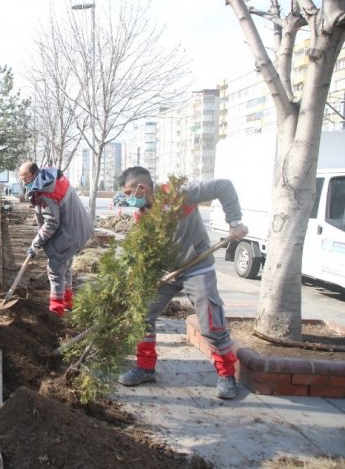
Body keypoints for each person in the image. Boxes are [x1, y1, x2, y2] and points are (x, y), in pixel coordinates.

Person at [116, 166, 249, 400]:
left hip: (197, 266)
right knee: (142, 313)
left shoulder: (178, 194)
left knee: (210, 323)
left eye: (128, 193)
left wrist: (235, 221)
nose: (127, 199)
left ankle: (227, 375)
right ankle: (145, 368)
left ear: (141, 188)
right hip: (168, 272)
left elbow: (223, 186)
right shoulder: (142, 213)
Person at [19, 161, 93, 316]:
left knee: (55, 270)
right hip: (79, 227)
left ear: (34, 174)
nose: (23, 181)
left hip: (69, 233)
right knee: (65, 268)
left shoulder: (46, 192)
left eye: (25, 178)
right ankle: (67, 303)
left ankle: (56, 310)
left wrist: (36, 243)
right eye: (21, 178)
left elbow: (52, 222)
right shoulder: (50, 178)